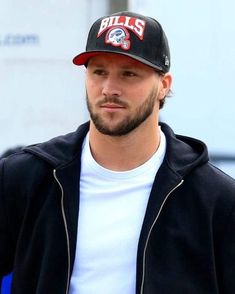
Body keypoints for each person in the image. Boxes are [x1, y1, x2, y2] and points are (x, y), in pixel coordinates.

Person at [0, 11, 235, 294]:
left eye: (128, 74)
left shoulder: (215, 199)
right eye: (99, 72)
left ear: (164, 86)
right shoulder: (26, 178)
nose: (110, 89)